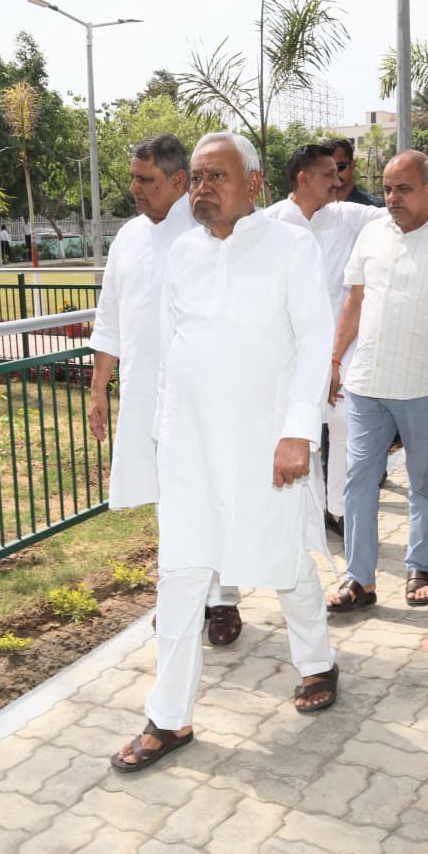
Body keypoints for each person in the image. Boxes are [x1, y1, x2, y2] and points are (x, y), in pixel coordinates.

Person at [110, 133, 337, 773]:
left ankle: (317, 662)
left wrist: (298, 431)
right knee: (181, 573)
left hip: (267, 445)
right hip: (190, 447)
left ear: (254, 184)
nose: (203, 188)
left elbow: (314, 341)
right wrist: (163, 434)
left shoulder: (291, 247)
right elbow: (170, 351)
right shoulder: (183, 251)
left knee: (285, 558)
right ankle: (169, 717)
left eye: (218, 176)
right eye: (198, 177)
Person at [89, 133, 243, 647]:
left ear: (179, 181)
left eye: (146, 179)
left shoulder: (208, 234)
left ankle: (222, 599)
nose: (135, 188)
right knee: (168, 504)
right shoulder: (128, 238)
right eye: (133, 178)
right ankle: (180, 598)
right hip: (143, 396)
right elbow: (110, 319)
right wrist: (98, 390)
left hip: (202, 396)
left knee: (211, 496)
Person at [327, 151, 428, 613]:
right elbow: (355, 300)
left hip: (425, 385)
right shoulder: (372, 233)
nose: (392, 197)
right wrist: (334, 358)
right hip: (367, 381)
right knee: (359, 479)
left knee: (423, 481)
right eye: (388, 188)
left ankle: (420, 565)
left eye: (404, 188)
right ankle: (360, 579)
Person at [264, 145, 380, 537]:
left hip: (340, 347)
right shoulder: (269, 224)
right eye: (330, 173)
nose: (338, 180)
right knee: (301, 427)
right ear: (304, 178)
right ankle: (307, 518)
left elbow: (402, 212)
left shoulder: (346, 216)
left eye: (339, 171)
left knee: (345, 421)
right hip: (289, 352)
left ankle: (339, 510)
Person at [324, 137, 383, 207]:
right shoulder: (316, 209)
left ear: (352, 165)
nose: (334, 174)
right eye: (328, 169)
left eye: (340, 166)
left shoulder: (375, 208)